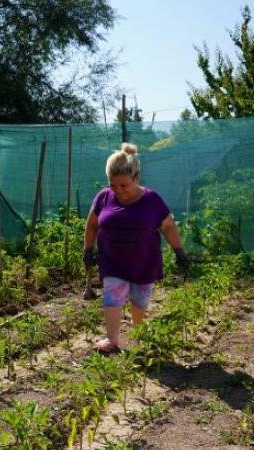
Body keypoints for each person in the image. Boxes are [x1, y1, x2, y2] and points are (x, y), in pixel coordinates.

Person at [83, 142, 189, 353]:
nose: (118, 191)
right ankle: (112, 340)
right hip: (112, 260)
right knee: (112, 295)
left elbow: (167, 226)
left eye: (124, 185)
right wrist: (88, 249)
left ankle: (139, 337)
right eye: (113, 185)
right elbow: (92, 224)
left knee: (139, 301)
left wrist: (179, 251)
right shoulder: (104, 197)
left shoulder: (151, 199)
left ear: (136, 177)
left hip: (143, 261)